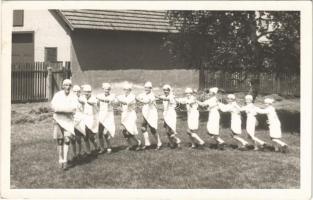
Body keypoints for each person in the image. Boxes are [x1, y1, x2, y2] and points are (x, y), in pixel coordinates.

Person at [51, 79, 77, 170]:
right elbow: (54, 108)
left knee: (67, 140)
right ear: (62, 86)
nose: (67, 87)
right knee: (60, 141)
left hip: (68, 121)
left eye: (69, 85)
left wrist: (61, 109)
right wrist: (65, 109)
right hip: (58, 120)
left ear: (71, 86)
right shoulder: (57, 95)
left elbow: (74, 109)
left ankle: (65, 160)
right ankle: (60, 159)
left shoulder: (73, 96)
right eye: (65, 85)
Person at [136, 81, 162, 150]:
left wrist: (139, 100)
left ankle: (159, 143)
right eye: (145, 88)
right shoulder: (143, 94)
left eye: (148, 88)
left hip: (152, 113)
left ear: (151, 88)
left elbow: (146, 102)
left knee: (153, 129)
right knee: (143, 128)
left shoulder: (152, 95)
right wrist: (138, 98)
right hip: (145, 112)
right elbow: (137, 97)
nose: (146, 89)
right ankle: (147, 144)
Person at [116, 82, 141, 150]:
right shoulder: (122, 96)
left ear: (130, 90)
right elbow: (118, 102)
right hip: (124, 115)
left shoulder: (132, 96)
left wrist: (119, 100)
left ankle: (137, 142)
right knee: (123, 130)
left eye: (127, 89)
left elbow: (126, 102)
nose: (126, 91)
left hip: (131, 115)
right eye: (124, 89)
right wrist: (119, 107)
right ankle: (130, 145)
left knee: (130, 131)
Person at [79, 84, 100, 155]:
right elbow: (78, 100)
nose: (86, 93)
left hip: (93, 118)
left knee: (91, 136)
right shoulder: (82, 97)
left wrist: (91, 103)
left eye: (88, 92)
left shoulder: (94, 98)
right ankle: (88, 151)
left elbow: (96, 102)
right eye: (85, 92)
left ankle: (97, 147)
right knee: (85, 136)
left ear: (90, 92)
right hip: (85, 118)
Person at [158, 84, 181, 149]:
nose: (165, 91)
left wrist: (159, 97)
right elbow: (159, 98)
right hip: (165, 114)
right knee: (167, 130)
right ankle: (172, 144)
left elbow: (166, 99)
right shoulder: (164, 95)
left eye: (167, 90)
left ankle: (177, 141)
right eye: (164, 90)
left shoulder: (171, 96)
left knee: (170, 130)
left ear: (169, 90)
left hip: (171, 114)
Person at [97, 83, 116, 154]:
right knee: (100, 133)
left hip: (109, 116)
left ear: (109, 90)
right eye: (105, 89)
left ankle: (109, 146)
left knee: (105, 133)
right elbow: (97, 104)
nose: (106, 90)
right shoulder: (100, 95)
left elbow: (109, 101)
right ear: (103, 89)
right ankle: (102, 148)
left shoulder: (112, 96)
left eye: (108, 89)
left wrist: (100, 99)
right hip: (101, 116)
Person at [72, 85, 86, 160]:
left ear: (80, 92)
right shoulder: (70, 99)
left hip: (80, 120)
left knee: (79, 138)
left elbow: (84, 104)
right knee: (72, 139)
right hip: (72, 120)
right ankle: (74, 154)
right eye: (75, 91)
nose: (76, 93)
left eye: (78, 91)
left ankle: (79, 153)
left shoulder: (81, 99)